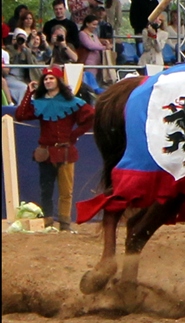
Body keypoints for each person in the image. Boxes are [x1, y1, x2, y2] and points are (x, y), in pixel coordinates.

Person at [15, 65, 94, 231]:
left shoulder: (72, 102)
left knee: (66, 191)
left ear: (58, 81)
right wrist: (29, 93)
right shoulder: (40, 103)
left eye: (51, 78)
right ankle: (47, 222)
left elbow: (91, 117)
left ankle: (65, 224)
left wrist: (73, 135)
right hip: (45, 152)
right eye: (46, 78)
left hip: (65, 152)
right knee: (46, 190)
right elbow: (21, 115)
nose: (48, 80)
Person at [5, 28, 39, 95]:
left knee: (33, 88)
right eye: (19, 39)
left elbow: (32, 60)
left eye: (22, 39)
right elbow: (10, 58)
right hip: (11, 77)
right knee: (24, 88)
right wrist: (18, 49)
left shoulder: (26, 50)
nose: (20, 41)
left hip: (23, 78)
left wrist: (25, 48)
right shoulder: (9, 49)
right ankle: (21, 105)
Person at [77, 14, 109, 79]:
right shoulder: (82, 34)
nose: (95, 27)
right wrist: (104, 47)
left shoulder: (94, 35)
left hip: (96, 62)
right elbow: (90, 45)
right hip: (88, 61)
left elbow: (98, 45)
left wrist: (105, 44)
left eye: (96, 25)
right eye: (93, 24)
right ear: (87, 24)